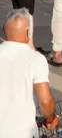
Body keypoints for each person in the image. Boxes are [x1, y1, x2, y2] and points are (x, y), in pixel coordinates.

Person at [0, 9, 58, 138]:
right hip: (22, 133)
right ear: (28, 33)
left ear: (4, 29)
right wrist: (51, 119)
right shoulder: (35, 59)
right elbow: (45, 100)